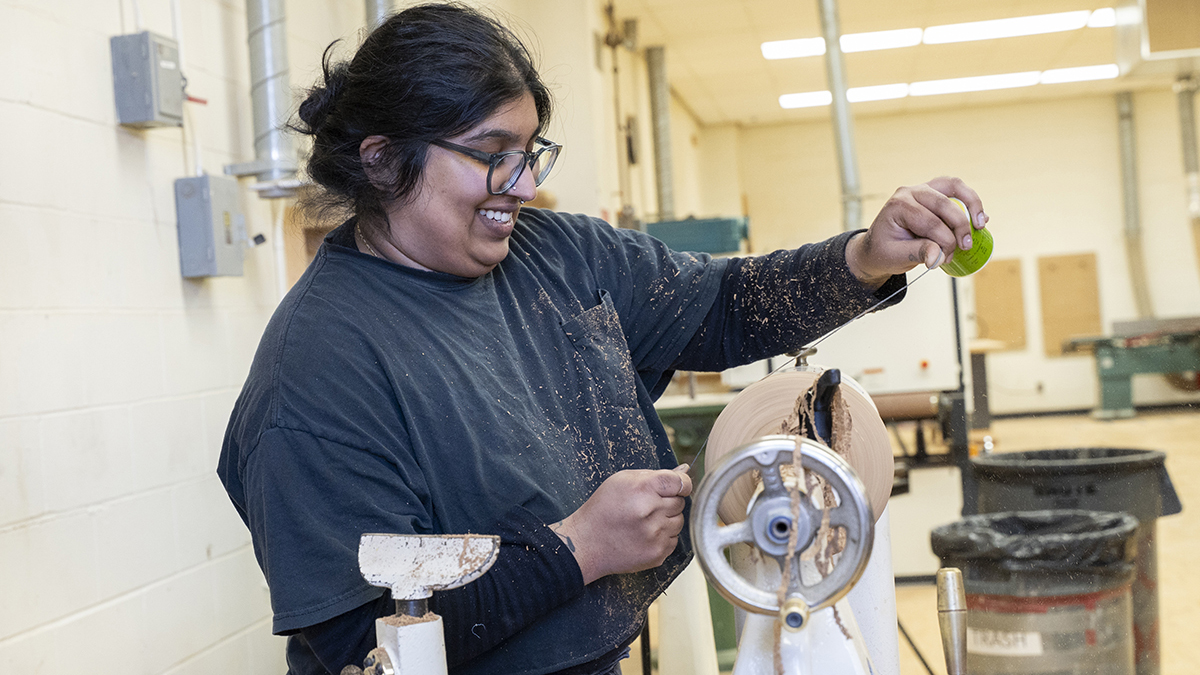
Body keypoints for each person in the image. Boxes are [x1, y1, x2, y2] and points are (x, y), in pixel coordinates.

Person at [217, 3, 987, 674]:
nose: (521, 184)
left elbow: (722, 304)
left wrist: (865, 258)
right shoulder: (318, 373)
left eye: (529, 153)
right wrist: (578, 548)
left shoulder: (556, 255)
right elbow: (362, 641)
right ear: (383, 161)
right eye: (492, 156)